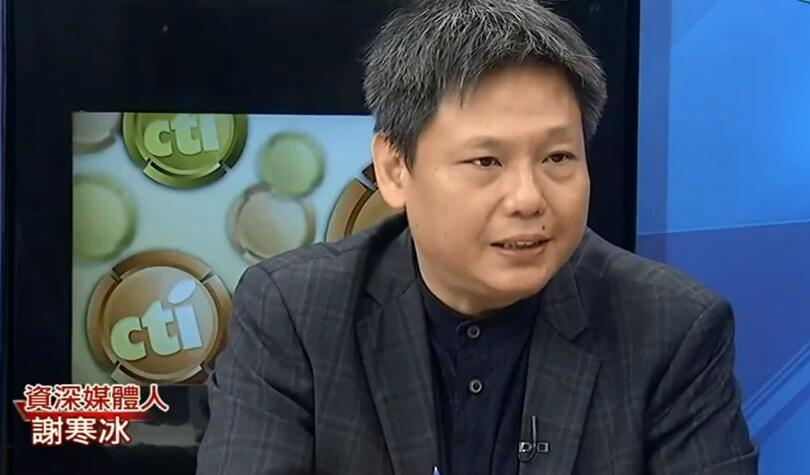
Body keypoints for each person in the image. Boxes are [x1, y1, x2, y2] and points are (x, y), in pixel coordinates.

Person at [196, 0, 758, 473]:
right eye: (486, 161)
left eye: (558, 157)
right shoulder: (295, 313)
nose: (528, 199)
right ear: (394, 169)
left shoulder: (672, 328)